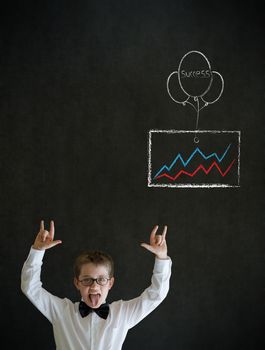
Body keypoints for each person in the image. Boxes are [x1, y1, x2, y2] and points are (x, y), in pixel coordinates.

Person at [21, 220, 172, 350]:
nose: (94, 287)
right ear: (77, 283)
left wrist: (161, 257)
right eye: (87, 280)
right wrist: (37, 251)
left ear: (110, 283)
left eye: (101, 280)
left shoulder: (122, 313)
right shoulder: (62, 312)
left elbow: (156, 295)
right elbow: (30, 288)